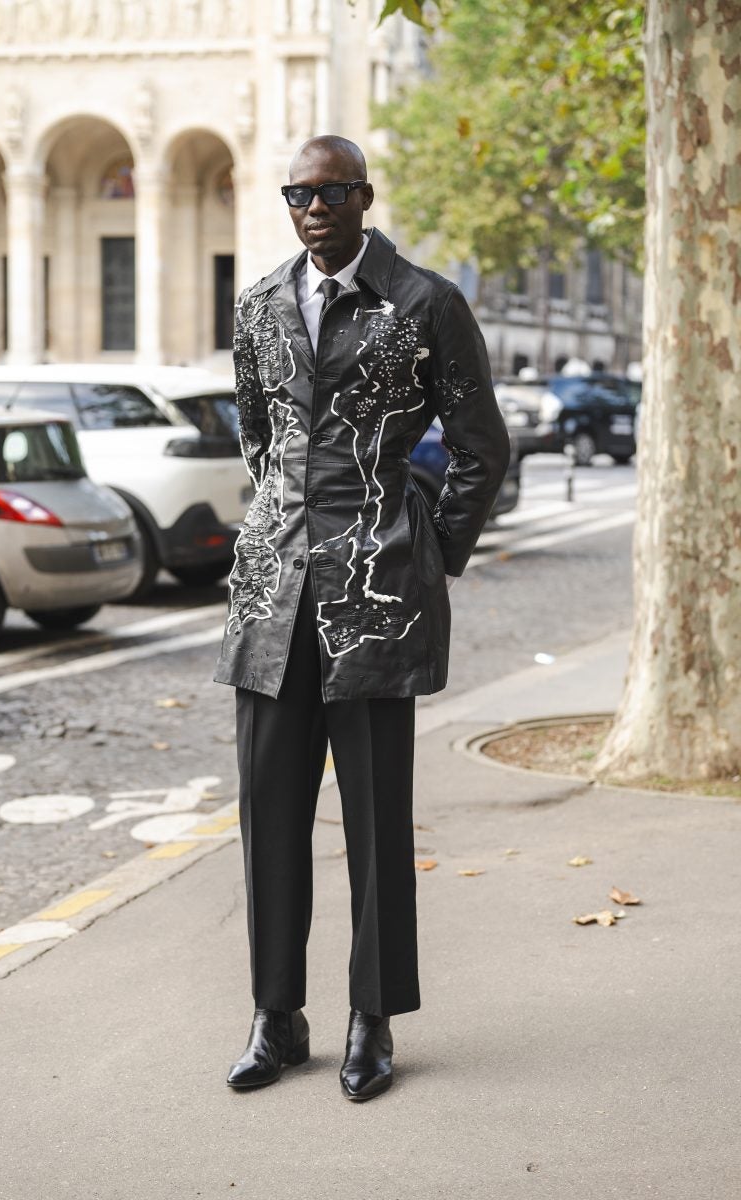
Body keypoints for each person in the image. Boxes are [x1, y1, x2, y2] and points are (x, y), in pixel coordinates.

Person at [214, 134, 510, 1101]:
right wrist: (270, 537)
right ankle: (274, 1014)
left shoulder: (424, 303)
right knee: (268, 815)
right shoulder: (258, 303)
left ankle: (372, 1016)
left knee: (376, 819)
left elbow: (481, 451)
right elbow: (257, 441)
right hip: (272, 598)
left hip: (375, 597)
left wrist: (434, 558)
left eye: (332, 190)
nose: (312, 206)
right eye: (297, 192)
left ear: (365, 196)